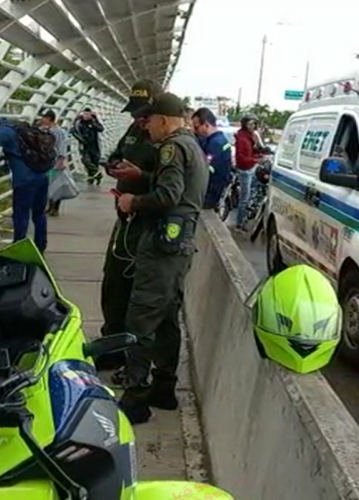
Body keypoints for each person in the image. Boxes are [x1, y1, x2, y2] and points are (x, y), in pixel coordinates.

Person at [114, 92, 209, 424]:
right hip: (178, 246)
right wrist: (142, 176)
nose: (147, 126)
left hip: (161, 247)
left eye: (150, 120)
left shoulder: (171, 147)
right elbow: (178, 188)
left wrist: (132, 202)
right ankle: (164, 387)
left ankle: (136, 397)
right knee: (167, 318)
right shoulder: (191, 145)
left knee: (140, 318)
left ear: (165, 120)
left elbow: (169, 195)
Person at [96, 79, 163, 372]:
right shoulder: (136, 129)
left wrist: (140, 176)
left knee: (137, 293)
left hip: (146, 223)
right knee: (113, 282)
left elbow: (171, 186)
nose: (138, 119)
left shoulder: (167, 141)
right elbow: (117, 153)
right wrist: (113, 166)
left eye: (144, 114)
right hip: (124, 217)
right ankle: (111, 345)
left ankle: (131, 356)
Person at [0, 112, 49, 252]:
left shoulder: (0, 133)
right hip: (42, 175)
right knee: (39, 213)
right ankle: (41, 244)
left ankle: (18, 245)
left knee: (21, 213)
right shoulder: (16, 128)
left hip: (24, 179)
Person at [192, 108, 232, 209]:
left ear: (206, 125)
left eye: (196, 128)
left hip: (209, 195)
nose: (195, 131)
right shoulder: (217, 139)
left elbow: (206, 170)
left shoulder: (215, 143)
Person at [234, 115, 262, 231]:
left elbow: (253, 151)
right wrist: (256, 160)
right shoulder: (242, 138)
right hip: (245, 170)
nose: (253, 126)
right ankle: (240, 223)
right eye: (250, 124)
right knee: (244, 198)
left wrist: (260, 153)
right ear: (245, 125)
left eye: (254, 124)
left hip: (252, 167)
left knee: (254, 191)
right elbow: (241, 158)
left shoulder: (251, 136)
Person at [42, 109, 70, 217]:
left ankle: (55, 208)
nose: (42, 119)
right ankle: (51, 207)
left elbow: (62, 146)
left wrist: (61, 160)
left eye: (43, 117)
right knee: (51, 184)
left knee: (56, 184)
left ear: (49, 119)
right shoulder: (48, 130)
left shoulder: (58, 131)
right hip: (49, 161)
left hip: (56, 161)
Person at [71, 107, 104, 185]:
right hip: (85, 146)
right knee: (86, 161)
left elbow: (101, 129)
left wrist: (94, 120)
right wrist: (81, 140)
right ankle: (97, 173)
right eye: (84, 114)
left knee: (94, 161)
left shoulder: (93, 121)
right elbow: (73, 131)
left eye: (88, 114)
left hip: (95, 146)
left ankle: (92, 179)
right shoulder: (79, 122)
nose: (86, 116)